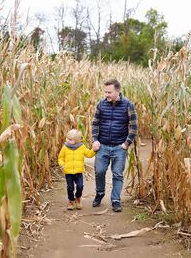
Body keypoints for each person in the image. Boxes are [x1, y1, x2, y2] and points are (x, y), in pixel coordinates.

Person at [91, 79, 138, 212]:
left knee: (117, 174)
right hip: (103, 145)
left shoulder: (128, 105)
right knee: (99, 171)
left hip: (119, 146)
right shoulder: (101, 104)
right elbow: (95, 123)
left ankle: (116, 200)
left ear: (118, 91)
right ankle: (100, 193)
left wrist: (126, 143)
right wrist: (95, 139)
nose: (107, 94)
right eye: (105, 92)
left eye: (109, 92)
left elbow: (134, 127)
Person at [58, 129, 96, 210]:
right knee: (70, 188)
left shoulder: (81, 147)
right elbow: (60, 158)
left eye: (70, 139)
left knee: (80, 186)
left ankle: (78, 199)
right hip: (68, 172)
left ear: (77, 140)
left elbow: (89, 154)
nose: (67, 140)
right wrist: (62, 165)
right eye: (68, 138)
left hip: (79, 172)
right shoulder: (65, 147)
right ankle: (71, 201)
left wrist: (94, 150)